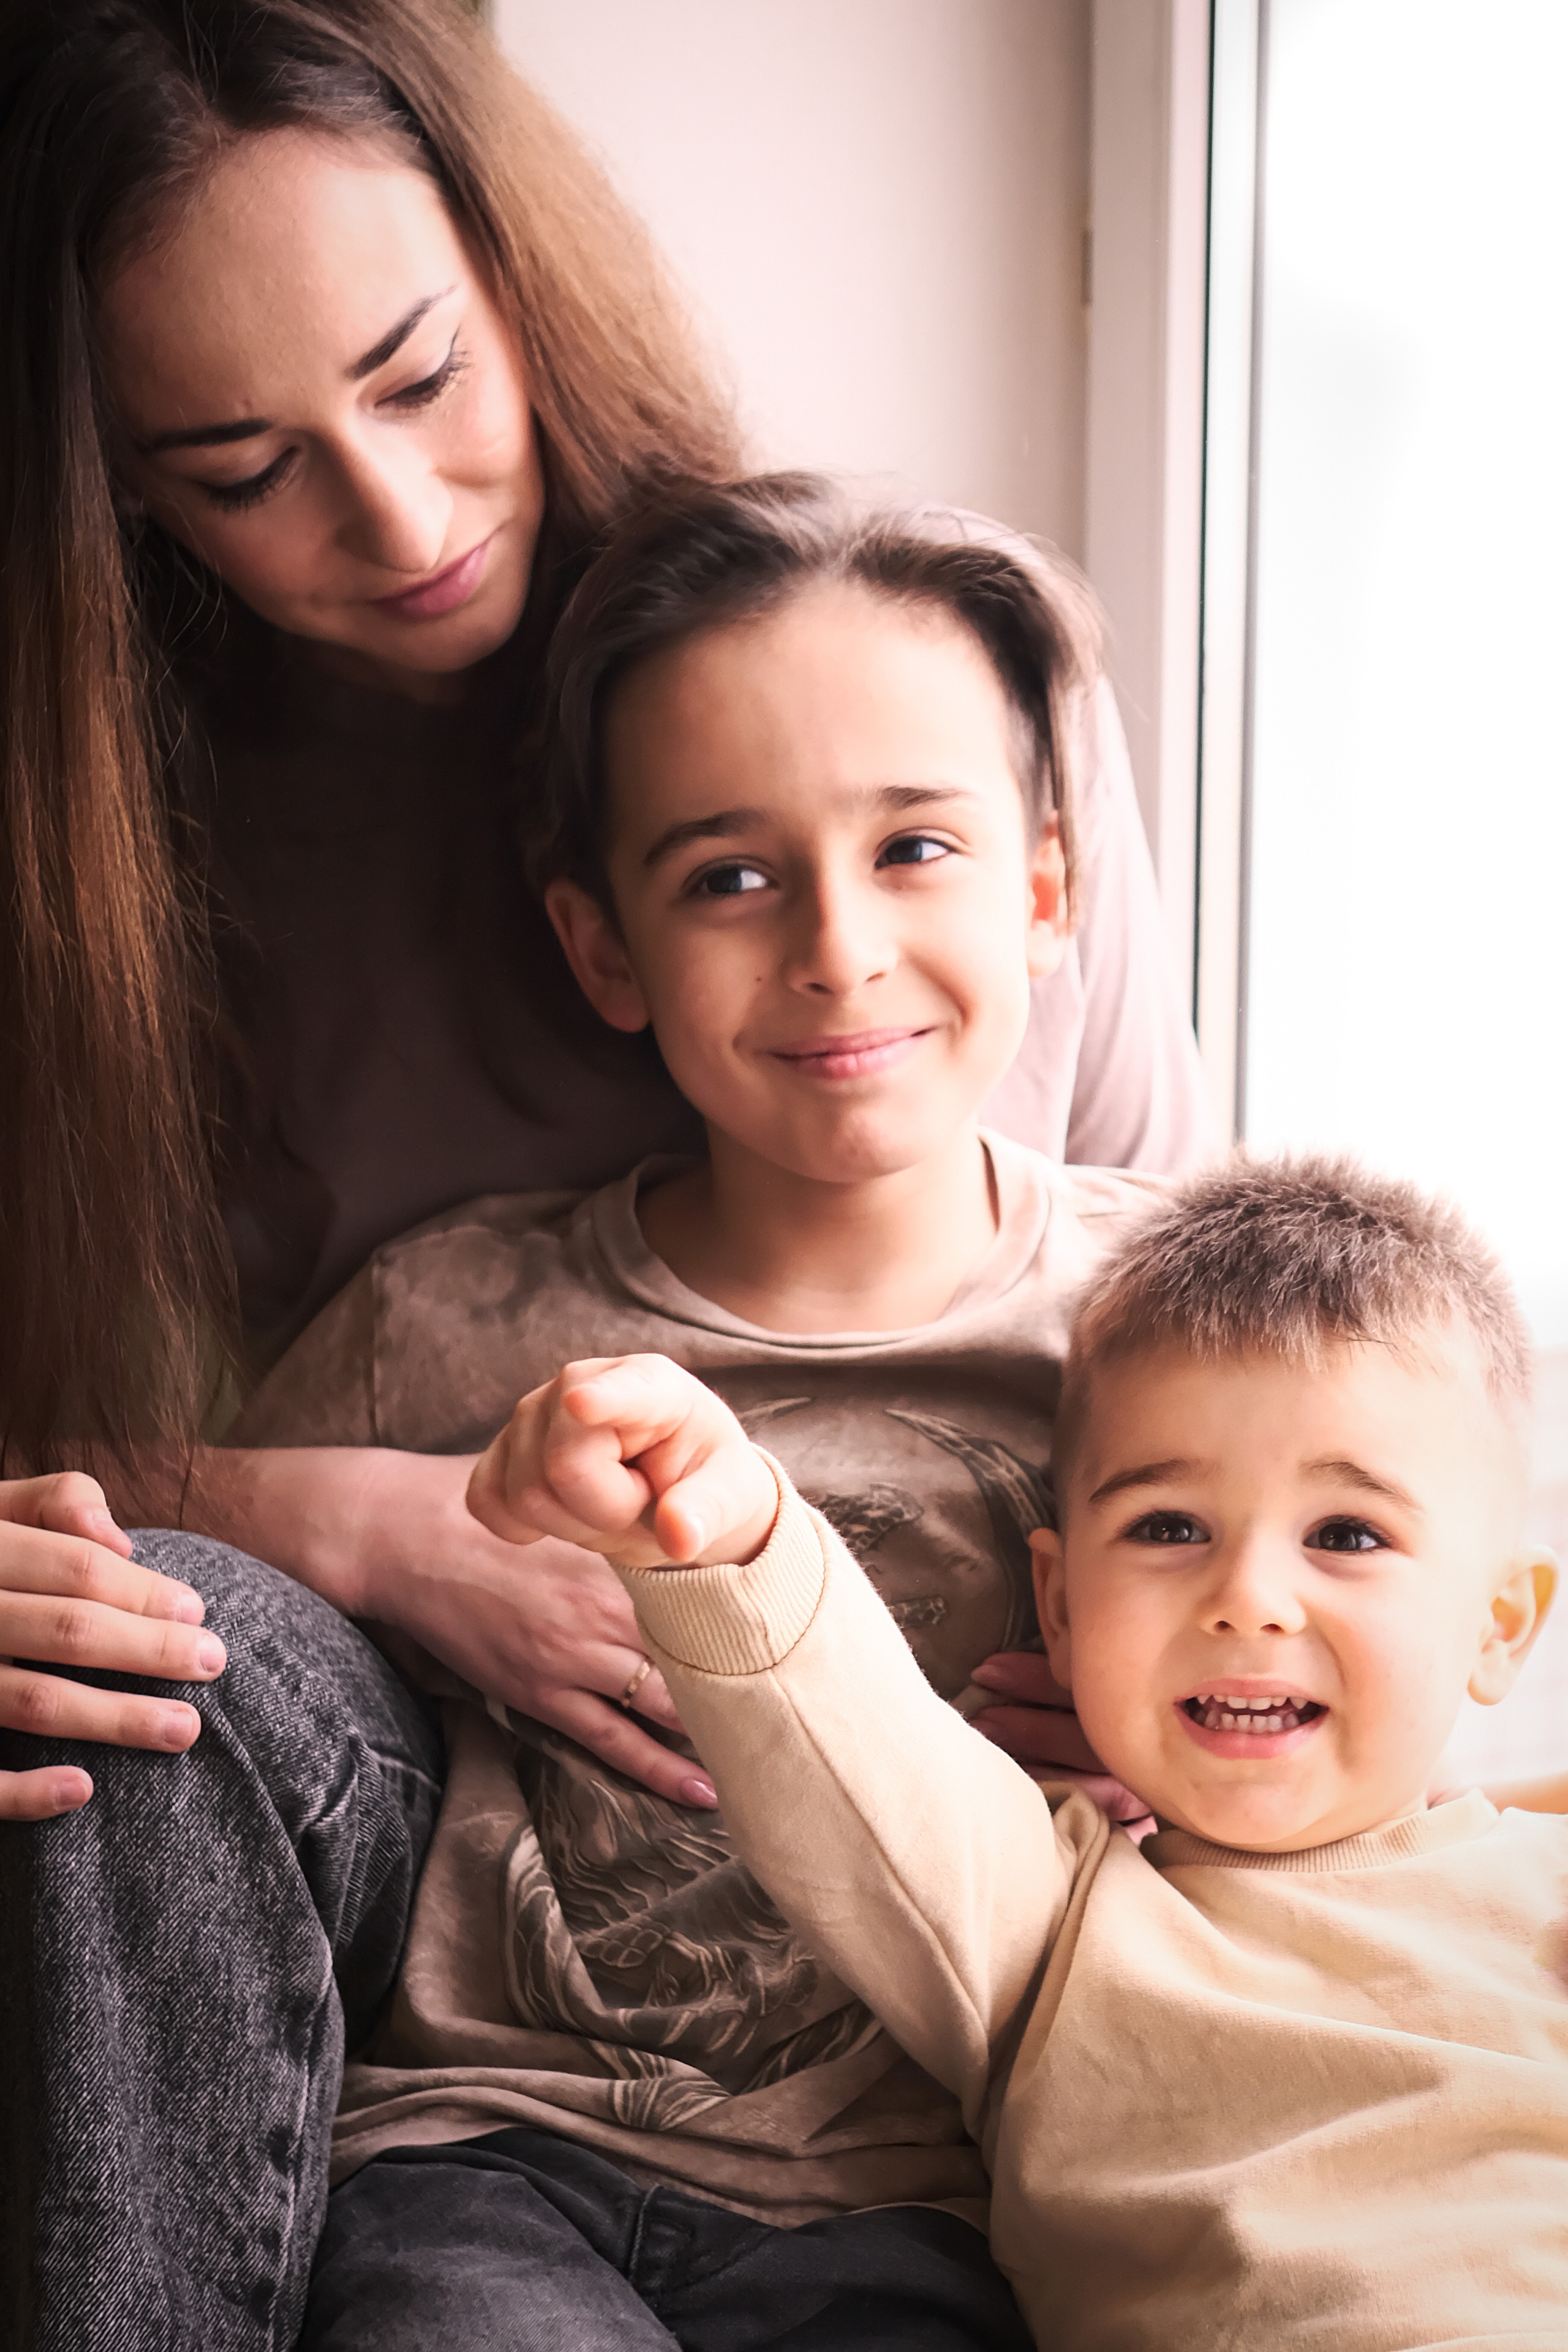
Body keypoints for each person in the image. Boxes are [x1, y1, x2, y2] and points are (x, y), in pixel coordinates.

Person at [0, 1, 1204, 2340]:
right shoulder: (101, 850)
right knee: (147, 1667)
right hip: (422, 1867)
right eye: (242, 465)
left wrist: (1159, 1647)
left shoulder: (906, 661)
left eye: (425, 375)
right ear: (114, 491)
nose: (404, 517)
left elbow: (1198, 1333)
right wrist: (341, 1514)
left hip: (893, 1941)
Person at [233, 473, 1163, 2349]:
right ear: (603, 949)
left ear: (1048, 886)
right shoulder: (452, 1313)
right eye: (731, 876)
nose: (836, 948)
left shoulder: (1156, 1333)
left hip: (928, 2188)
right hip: (490, 2163)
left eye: (917, 848)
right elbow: (179, 1557)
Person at [488, 1156, 1568, 2349]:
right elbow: (851, 1752)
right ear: (1056, 1607)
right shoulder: (1043, 1917)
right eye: (1167, 1526)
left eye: (1345, 1533)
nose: (1247, 1597)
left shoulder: (1540, 1893)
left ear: (1496, 1625)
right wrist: (727, 1524)